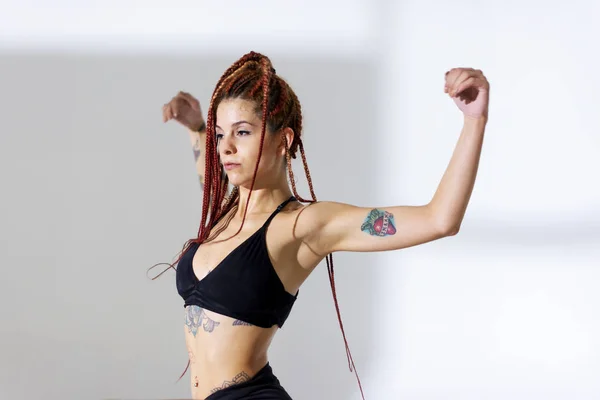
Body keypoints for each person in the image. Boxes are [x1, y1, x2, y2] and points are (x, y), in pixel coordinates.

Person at [150, 51, 490, 400]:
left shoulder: (304, 225)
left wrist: (474, 121)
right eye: (221, 135)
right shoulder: (225, 211)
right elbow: (208, 173)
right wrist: (196, 129)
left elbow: (438, 219)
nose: (227, 148)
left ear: (284, 141)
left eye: (243, 132)